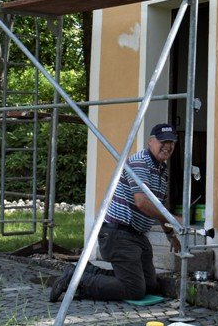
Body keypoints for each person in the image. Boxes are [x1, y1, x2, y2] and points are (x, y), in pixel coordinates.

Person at [50, 123, 181, 302]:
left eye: (171, 142)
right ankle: (77, 280)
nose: (167, 146)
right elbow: (142, 202)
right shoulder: (140, 162)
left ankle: (85, 270)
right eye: (163, 141)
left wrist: (170, 234)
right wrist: (172, 218)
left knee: (150, 285)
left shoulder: (162, 171)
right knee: (134, 290)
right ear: (150, 142)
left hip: (136, 236)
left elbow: (160, 205)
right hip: (118, 234)